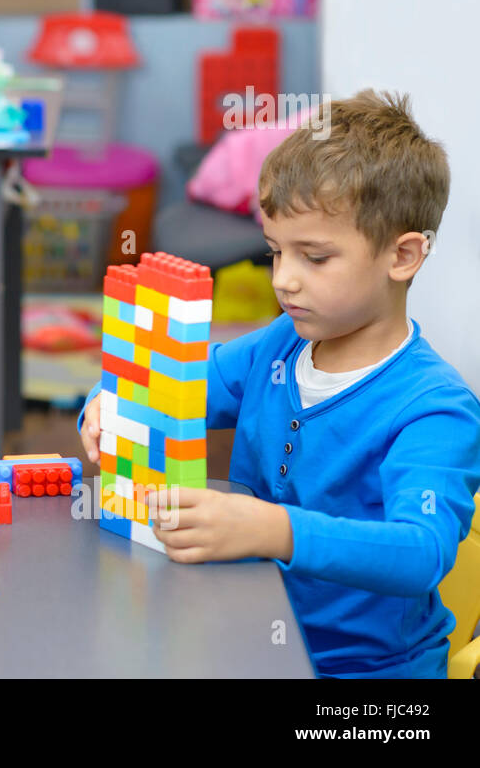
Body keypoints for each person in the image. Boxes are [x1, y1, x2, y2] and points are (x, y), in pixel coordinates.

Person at [79, 90, 480, 677]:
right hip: (243, 635)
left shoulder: (433, 410)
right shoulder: (278, 345)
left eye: (314, 258)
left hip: (366, 675)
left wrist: (272, 529)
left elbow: (421, 552)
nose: (284, 281)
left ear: (403, 256)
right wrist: (107, 400)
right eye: (275, 253)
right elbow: (174, 383)